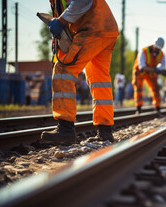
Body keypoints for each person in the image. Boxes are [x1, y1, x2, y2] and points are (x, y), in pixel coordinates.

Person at [41, 0, 119, 144]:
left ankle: (65, 129)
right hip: (106, 28)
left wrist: (61, 21)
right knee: (99, 80)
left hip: (92, 28)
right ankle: (105, 131)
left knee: (63, 69)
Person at [132, 37, 166, 115]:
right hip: (139, 72)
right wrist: (155, 70)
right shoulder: (143, 51)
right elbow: (142, 66)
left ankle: (157, 107)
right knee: (138, 89)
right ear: (154, 45)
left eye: (159, 49)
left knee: (156, 89)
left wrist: (159, 69)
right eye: (157, 48)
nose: (157, 50)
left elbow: (163, 65)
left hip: (150, 73)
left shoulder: (161, 54)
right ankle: (138, 108)